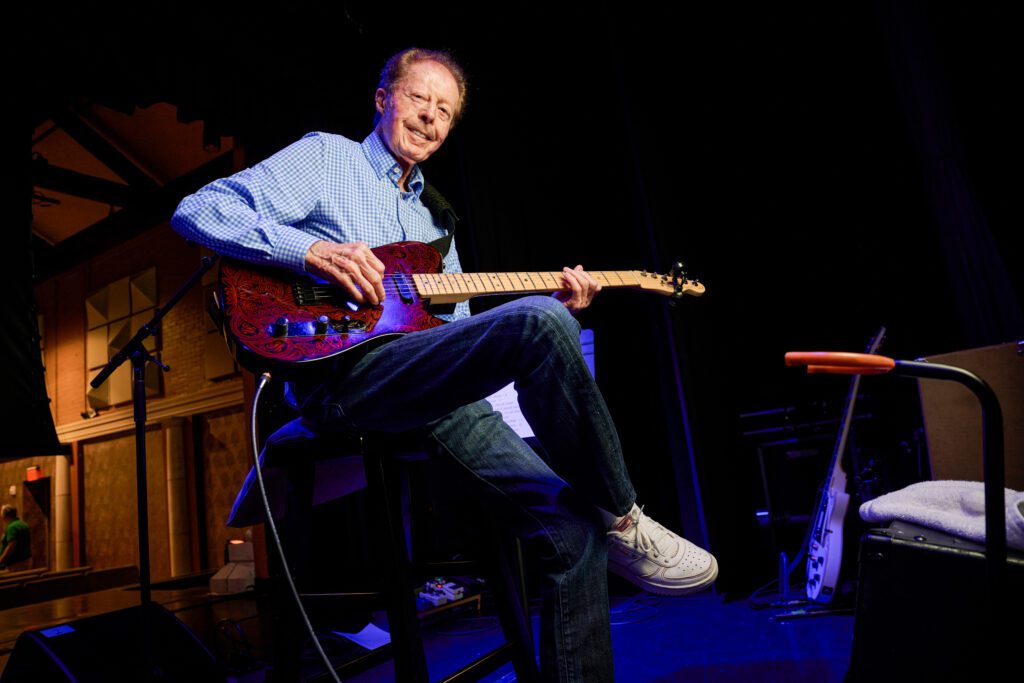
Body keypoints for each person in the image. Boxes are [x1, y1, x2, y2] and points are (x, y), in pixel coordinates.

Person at [172, 47, 717, 681]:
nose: (430, 118)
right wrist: (313, 249)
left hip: (430, 384)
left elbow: (457, 336)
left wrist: (553, 311)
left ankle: (605, 529)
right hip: (346, 378)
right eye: (419, 98)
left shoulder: (437, 222)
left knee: (573, 533)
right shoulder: (328, 158)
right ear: (384, 99)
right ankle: (626, 516)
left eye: (446, 112)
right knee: (539, 323)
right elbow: (200, 209)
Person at [0, 505, 31, 571]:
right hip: (26, 559)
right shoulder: (23, 524)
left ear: (5, 515)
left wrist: (1, 559)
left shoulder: (12, 527)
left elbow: (11, 546)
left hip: (15, 563)